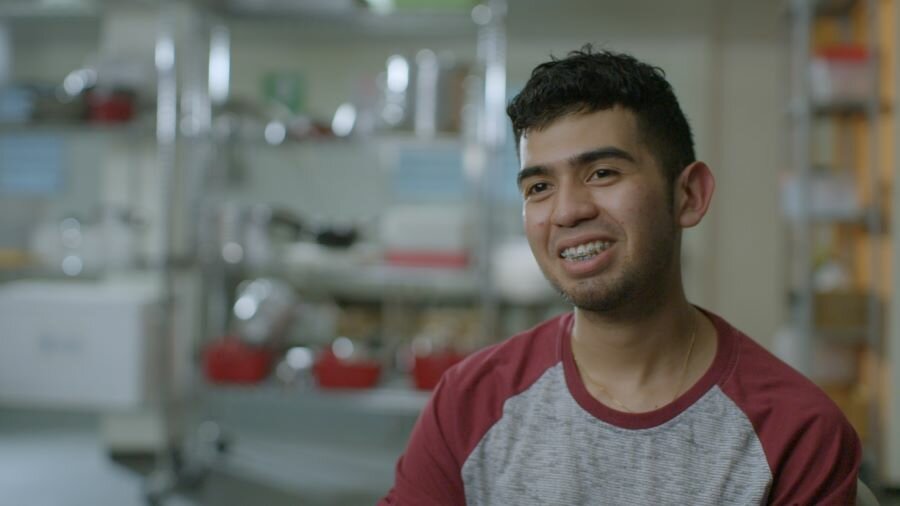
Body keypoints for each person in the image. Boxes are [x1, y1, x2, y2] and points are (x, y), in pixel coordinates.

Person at [380, 46, 860, 505]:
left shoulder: (796, 433)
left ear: (688, 195)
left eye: (603, 173)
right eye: (540, 186)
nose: (567, 211)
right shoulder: (470, 402)